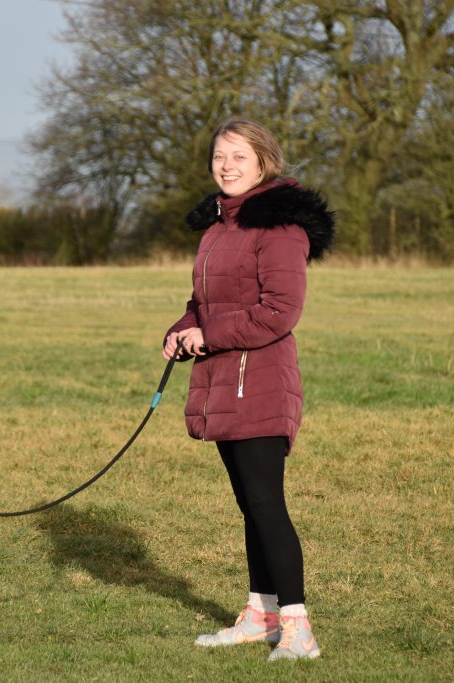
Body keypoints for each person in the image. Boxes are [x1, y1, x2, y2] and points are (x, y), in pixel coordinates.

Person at [163, 117, 334, 661]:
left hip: (259, 381)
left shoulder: (279, 227)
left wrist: (206, 335)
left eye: (239, 156)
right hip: (221, 381)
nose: (227, 165)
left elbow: (279, 312)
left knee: (266, 502)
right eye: (220, 156)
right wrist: (181, 329)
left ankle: (298, 629)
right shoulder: (218, 226)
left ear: (264, 161)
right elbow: (206, 301)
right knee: (250, 505)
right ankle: (260, 614)